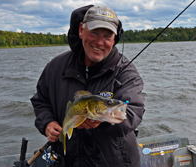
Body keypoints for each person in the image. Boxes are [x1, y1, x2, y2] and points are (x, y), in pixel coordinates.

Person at [31, 4, 145, 167]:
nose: (100, 42)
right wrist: (47, 123)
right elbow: (41, 101)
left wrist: (104, 122)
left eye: (107, 35)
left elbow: (133, 110)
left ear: (114, 38)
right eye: (94, 33)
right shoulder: (55, 67)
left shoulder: (126, 72)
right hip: (67, 161)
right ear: (81, 30)